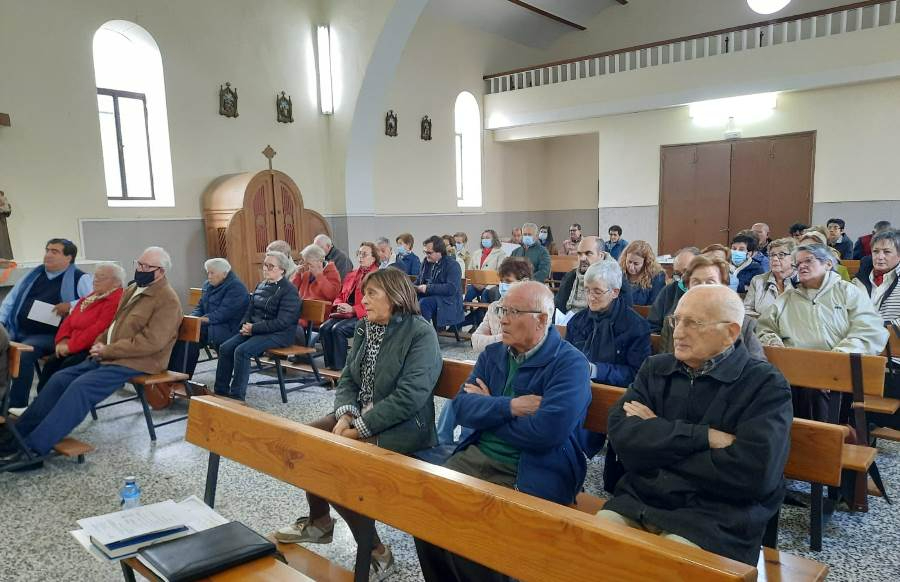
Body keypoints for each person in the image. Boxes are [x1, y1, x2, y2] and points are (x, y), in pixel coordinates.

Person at [602, 285, 792, 566]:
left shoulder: (765, 385)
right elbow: (622, 439)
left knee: (663, 568)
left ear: (731, 332)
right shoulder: (656, 368)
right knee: (589, 552)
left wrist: (658, 439)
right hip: (640, 502)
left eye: (693, 323)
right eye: (676, 320)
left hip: (717, 519)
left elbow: (755, 473)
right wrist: (702, 437)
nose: (678, 332)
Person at [415, 282, 592, 582]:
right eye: (501, 310)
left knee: (476, 537)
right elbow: (463, 408)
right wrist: (510, 407)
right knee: (426, 516)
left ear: (542, 319)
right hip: (479, 455)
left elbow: (546, 434)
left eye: (513, 311)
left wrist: (489, 410)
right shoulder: (494, 354)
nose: (503, 319)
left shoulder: (570, 364)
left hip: (534, 469)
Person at [275, 269, 442, 581]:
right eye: (364, 294)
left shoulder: (420, 333)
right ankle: (320, 521)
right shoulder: (366, 327)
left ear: (396, 296)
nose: (363, 300)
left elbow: (410, 397)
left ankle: (376, 551)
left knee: (336, 466)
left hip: (404, 427)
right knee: (305, 441)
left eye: (372, 294)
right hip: (362, 416)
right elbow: (349, 377)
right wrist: (346, 414)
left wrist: (359, 428)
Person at [0, 247, 181, 468]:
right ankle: (16, 436)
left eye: (146, 267)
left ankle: (34, 449)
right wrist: (100, 342)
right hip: (112, 355)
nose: (139, 269)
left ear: (160, 271)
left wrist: (108, 350)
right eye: (138, 263)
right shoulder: (135, 288)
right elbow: (114, 324)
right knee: (60, 378)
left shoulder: (167, 300)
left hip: (139, 361)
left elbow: (152, 342)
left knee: (80, 388)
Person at [757, 244, 888, 421]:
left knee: (816, 394)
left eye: (808, 260)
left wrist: (834, 360)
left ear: (827, 264)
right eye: (798, 263)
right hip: (792, 372)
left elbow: (869, 330)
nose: (802, 266)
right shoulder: (787, 298)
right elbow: (765, 327)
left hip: (839, 374)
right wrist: (773, 342)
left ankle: (820, 442)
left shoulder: (847, 291)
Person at [0, 238, 92, 408]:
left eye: (54, 251)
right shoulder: (33, 275)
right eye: (47, 250)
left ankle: (16, 407)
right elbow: (10, 301)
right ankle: (2, 401)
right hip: (19, 329)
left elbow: (93, 303)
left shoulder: (80, 278)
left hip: (53, 335)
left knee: (23, 354)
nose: (48, 254)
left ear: (69, 257)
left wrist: (70, 306)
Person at [214, 251, 301, 401]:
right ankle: (220, 391)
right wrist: (245, 325)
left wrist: (254, 328)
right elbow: (250, 309)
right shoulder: (261, 284)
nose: (266, 268)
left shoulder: (289, 291)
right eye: (265, 265)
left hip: (280, 334)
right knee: (225, 347)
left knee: (242, 351)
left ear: (282, 269)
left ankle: (236, 396)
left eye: (270, 266)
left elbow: (283, 322)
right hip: (257, 330)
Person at [34, 263, 126, 394]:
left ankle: (56, 406)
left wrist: (70, 346)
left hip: (94, 347)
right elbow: (70, 319)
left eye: (102, 277)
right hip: (74, 344)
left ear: (116, 282)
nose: (96, 279)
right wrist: (63, 340)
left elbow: (99, 329)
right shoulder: (92, 296)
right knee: (51, 364)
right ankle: (41, 404)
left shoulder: (115, 299)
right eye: (96, 276)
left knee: (66, 370)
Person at [659, 255, 765, 361]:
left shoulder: (744, 324)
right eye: (696, 282)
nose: (702, 288)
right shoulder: (672, 322)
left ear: (724, 286)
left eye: (710, 282)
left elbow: (757, 368)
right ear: (687, 287)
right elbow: (664, 365)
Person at [566, 260, 650, 387]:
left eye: (597, 292)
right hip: (577, 386)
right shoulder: (577, 321)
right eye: (587, 290)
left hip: (616, 394)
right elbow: (566, 359)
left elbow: (637, 374)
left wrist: (595, 370)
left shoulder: (636, 326)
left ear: (614, 292)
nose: (590, 297)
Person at [169, 258, 250, 378]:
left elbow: (223, 314)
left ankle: (181, 379)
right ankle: (171, 374)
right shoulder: (208, 284)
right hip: (211, 325)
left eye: (212, 273)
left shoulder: (236, 288)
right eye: (208, 272)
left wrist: (200, 321)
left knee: (190, 338)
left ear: (224, 274)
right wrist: (192, 319)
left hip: (229, 328)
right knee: (183, 331)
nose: (209, 276)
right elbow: (200, 307)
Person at [320, 242, 379, 371]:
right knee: (324, 328)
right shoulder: (352, 274)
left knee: (338, 329)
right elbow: (340, 294)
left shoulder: (377, 277)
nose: (360, 257)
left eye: (364, 254)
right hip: (346, 312)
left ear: (373, 258)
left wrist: (353, 309)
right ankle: (330, 367)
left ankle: (340, 369)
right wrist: (339, 304)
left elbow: (375, 304)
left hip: (366, 315)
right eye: (359, 253)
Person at [471, 257, 532, 354]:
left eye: (508, 281)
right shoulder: (494, 307)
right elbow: (476, 342)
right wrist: (504, 339)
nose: (503, 285)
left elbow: (519, 345)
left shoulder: (531, 311)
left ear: (524, 282)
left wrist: (490, 341)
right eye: (501, 281)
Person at [416, 236, 464, 329]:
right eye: (425, 252)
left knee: (424, 303)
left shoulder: (452, 265)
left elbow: (451, 288)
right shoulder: (426, 262)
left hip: (448, 301)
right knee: (406, 301)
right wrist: (411, 287)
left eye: (429, 252)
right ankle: (409, 333)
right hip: (431, 296)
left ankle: (423, 335)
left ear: (440, 252)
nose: (426, 255)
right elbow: (419, 280)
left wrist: (427, 288)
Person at [648, 247, 700, 333]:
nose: (683, 278)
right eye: (678, 274)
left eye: (687, 272)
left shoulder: (710, 294)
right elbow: (652, 326)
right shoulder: (668, 291)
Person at [854, 228, 900, 322]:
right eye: (875, 251)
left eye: (887, 252)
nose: (879, 257)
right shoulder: (860, 278)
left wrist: (881, 330)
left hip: (892, 334)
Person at [744, 238, 797, 318]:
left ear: (793, 258)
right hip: (762, 328)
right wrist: (766, 322)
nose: (775, 259)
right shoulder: (758, 280)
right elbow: (747, 310)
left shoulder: (802, 281)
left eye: (781, 255)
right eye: (772, 255)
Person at [555, 236, 606, 316]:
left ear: (601, 256)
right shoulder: (570, 276)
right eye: (579, 254)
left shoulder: (613, 280)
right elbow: (558, 306)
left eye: (588, 253)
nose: (582, 258)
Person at [292, 243, 341, 308]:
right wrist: (297, 274)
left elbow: (332, 295)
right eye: (304, 262)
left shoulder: (331, 272)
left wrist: (319, 276)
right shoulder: (306, 273)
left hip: (319, 311)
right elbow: (292, 292)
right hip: (302, 309)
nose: (306, 266)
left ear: (320, 261)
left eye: (309, 263)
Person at [620, 240, 666, 306]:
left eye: (636, 264)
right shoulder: (620, 272)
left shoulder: (657, 277)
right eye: (629, 262)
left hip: (644, 314)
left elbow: (655, 307)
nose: (631, 267)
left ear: (646, 263)